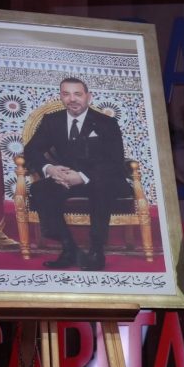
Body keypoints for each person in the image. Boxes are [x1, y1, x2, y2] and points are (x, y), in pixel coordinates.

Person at [24, 77, 127, 270]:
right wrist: (50, 169)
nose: (72, 99)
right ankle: (69, 248)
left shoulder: (107, 123)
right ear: (61, 97)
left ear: (89, 96)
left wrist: (82, 176)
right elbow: (31, 150)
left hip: (100, 178)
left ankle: (96, 251)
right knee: (40, 189)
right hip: (66, 179)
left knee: (101, 186)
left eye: (77, 94)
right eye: (66, 94)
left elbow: (114, 160)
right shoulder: (52, 121)